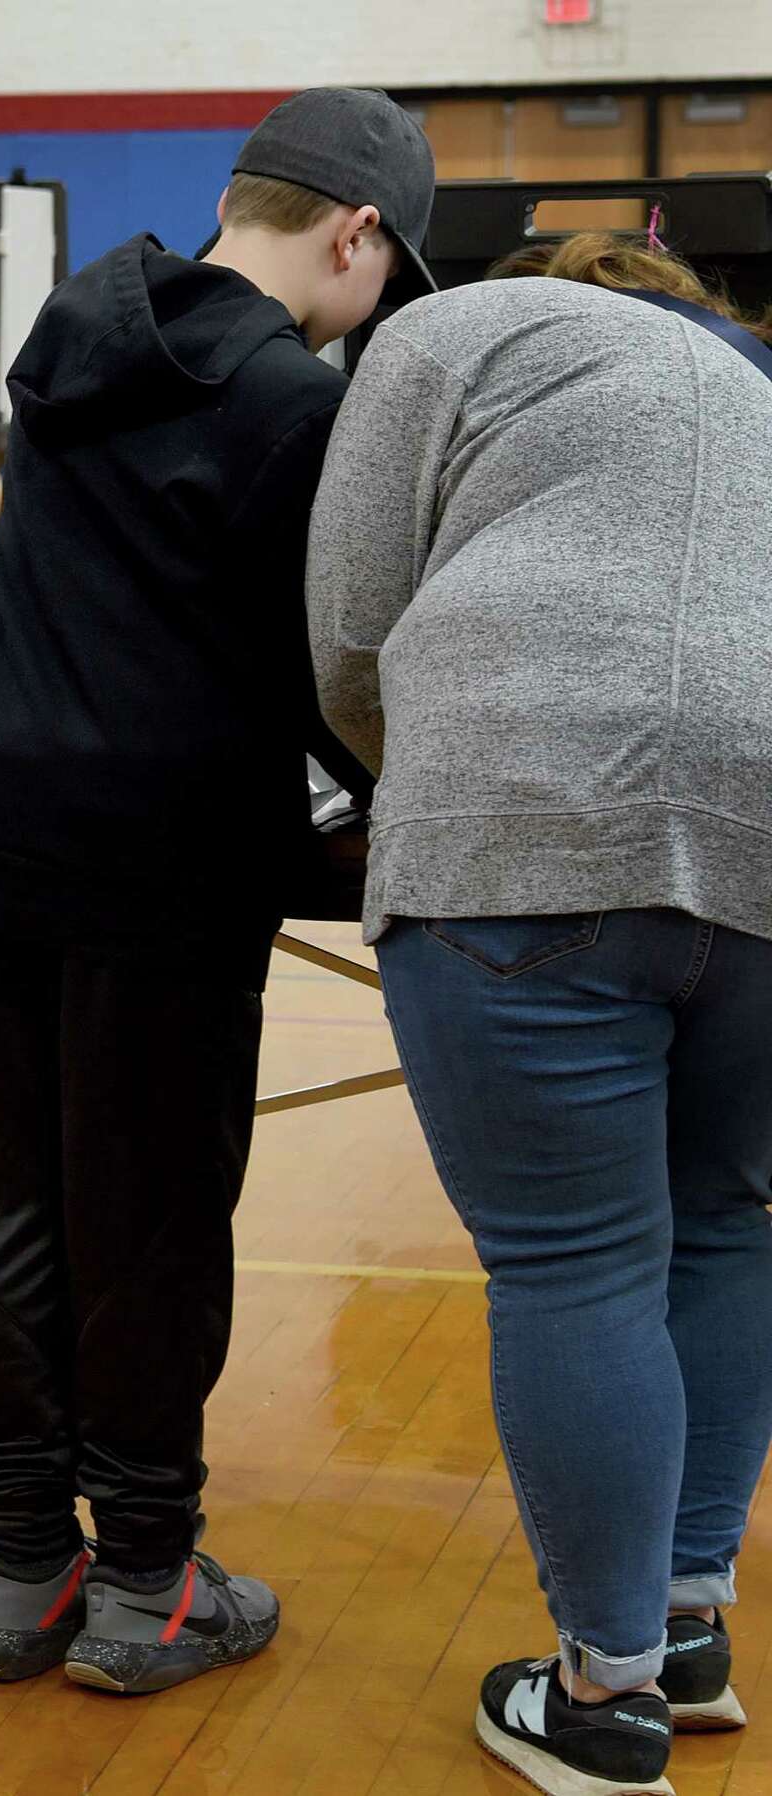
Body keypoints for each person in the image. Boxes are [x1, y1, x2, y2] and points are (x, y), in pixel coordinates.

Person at [0, 89, 435, 1694]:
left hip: (0, 821)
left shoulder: (72, 328)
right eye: (387, 280)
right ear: (356, 234)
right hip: (159, 858)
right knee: (148, 1223)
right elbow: (323, 668)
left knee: (15, 1207)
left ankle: (22, 1566)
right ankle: (147, 1576)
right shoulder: (292, 403)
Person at [306, 232, 772, 1796]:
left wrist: (414, 778)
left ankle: (602, 1701)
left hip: (525, 811)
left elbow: (354, 624)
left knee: (576, 1264)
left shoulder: (458, 330)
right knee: (731, 1222)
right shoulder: (757, 383)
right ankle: (687, 1637)